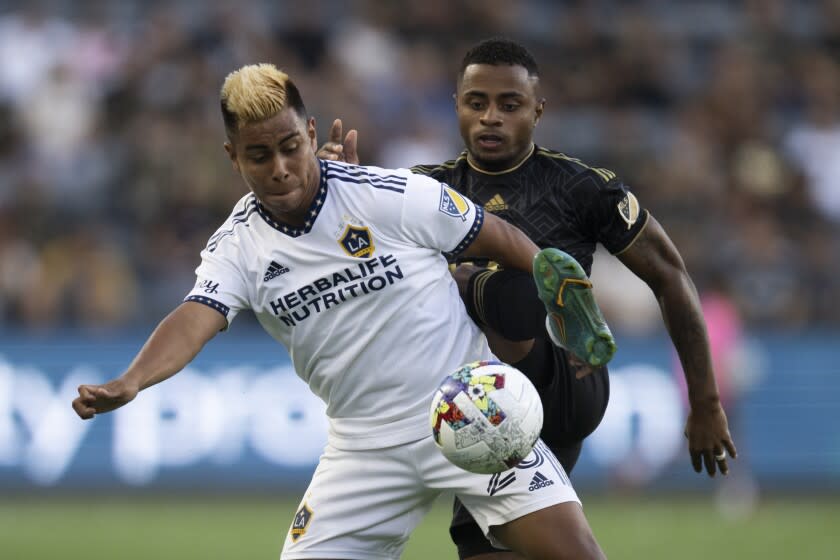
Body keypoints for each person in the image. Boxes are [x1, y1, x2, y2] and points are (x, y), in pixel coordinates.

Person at [71, 63, 608, 560]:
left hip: (470, 409)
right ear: (233, 157)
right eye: (259, 156)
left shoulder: (387, 194)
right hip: (362, 450)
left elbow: (501, 237)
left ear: (309, 134)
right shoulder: (238, 247)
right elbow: (195, 316)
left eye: (289, 147)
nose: (280, 169)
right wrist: (132, 380)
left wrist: (564, 294)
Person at [319, 37, 738, 560]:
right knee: (492, 549)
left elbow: (671, 277)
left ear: (538, 111)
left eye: (509, 105)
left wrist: (705, 402)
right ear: (456, 106)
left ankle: (539, 299)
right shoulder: (421, 191)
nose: (491, 117)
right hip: (479, 401)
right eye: (477, 103)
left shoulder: (581, 188)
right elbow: (352, 274)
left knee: (504, 286)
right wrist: (340, 197)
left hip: (563, 382)